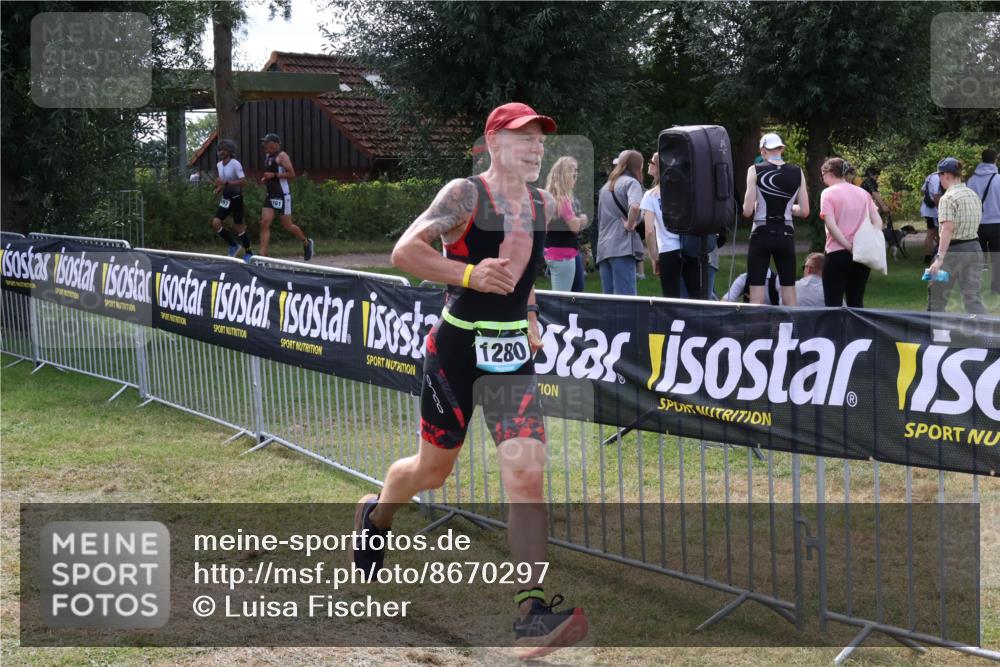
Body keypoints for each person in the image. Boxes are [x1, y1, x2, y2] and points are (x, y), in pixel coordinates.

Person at [351, 103, 587, 658]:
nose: (534, 148)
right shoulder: (465, 195)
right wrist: (466, 273)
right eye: (522, 138)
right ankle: (376, 514)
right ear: (493, 141)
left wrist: (528, 314)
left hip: (510, 359)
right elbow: (404, 251)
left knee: (526, 477)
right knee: (431, 473)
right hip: (456, 350)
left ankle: (531, 613)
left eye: (539, 140)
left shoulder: (542, 203)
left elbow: (522, 270)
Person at [742, 133, 809, 306]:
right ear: (781, 149)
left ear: (763, 151)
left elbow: (747, 211)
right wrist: (789, 208)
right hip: (785, 233)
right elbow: (805, 211)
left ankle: (756, 333)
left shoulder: (754, 170)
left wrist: (755, 204)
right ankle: (792, 332)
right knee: (789, 293)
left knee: (756, 296)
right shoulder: (797, 171)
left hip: (761, 233)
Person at [818, 157, 883, 308]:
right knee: (856, 302)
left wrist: (848, 246)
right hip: (862, 254)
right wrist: (870, 240)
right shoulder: (863, 193)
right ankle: (858, 332)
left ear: (829, 173)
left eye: (823, 175)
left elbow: (831, 226)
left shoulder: (828, 193)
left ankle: (835, 332)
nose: (823, 179)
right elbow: (878, 221)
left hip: (837, 253)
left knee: (833, 304)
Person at [928, 157, 986, 314]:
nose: (939, 180)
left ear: (946, 175)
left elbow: (948, 229)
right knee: (973, 298)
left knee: (937, 298)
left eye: (939, 176)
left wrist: (939, 259)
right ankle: (987, 337)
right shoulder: (973, 195)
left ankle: (933, 336)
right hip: (974, 248)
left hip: (953, 251)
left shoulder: (947, 198)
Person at [257, 133, 314, 260]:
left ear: (275, 144)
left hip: (282, 195)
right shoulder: (267, 156)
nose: (264, 145)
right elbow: (272, 173)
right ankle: (263, 256)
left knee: (287, 225)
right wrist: (265, 178)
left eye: (267, 142)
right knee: (264, 223)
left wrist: (274, 176)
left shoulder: (282, 156)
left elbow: (292, 174)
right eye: (264, 142)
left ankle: (306, 242)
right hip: (270, 194)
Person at [596, 150, 644, 295]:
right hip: (622, 247)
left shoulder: (606, 187)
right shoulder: (631, 182)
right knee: (626, 299)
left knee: (609, 300)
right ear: (637, 166)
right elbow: (635, 206)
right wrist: (630, 224)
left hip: (604, 249)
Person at [543, 156, 588, 292]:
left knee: (574, 294)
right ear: (564, 176)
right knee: (563, 299)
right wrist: (582, 219)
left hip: (557, 251)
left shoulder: (550, 197)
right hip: (563, 255)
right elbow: (574, 227)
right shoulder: (563, 199)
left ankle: (571, 314)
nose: (576, 178)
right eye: (573, 175)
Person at [641, 152, 682, 297]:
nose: (648, 164)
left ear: (658, 167)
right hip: (687, 247)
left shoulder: (650, 195)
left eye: (651, 162)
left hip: (668, 249)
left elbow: (649, 231)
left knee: (671, 297)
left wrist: (653, 257)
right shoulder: (681, 190)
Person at [210, 139, 253, 261]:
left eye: (224, 149)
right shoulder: (219, 165)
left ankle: (249, 252)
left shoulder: (235, 164)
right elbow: (224, 183)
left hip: (236, 198)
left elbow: (243, 182)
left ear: (229, 151)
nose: (221, 152)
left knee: (239, 226)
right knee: (216, 223)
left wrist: (225, 183)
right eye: (219, 150)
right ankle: (233, 245)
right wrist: (219, 188)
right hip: (226, 198)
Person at [968, 148, 999, 294]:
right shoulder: (998, 180)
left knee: (976, 258)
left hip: (977, 223)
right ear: (995, 160)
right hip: (997, 223)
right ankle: (997, 287)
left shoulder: (972, 180)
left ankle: (974, 286)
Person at [919, 169, 943, 265]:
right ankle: (934, 257)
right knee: (935, 234)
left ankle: (930, 257)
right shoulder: (938, 178)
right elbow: (937, 195)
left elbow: (923, 189)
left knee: (932, 233)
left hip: (929, 210)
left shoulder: (931, 176)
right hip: (934, 210)